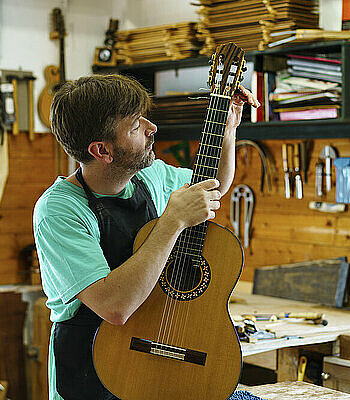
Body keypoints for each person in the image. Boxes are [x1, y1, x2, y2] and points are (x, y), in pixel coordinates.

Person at [33, 74, 259, 400]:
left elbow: (212, 187)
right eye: (136, 127)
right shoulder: (58, 212)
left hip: (157, 357)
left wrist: (227, 130)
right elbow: (114, 307)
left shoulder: (149, 175)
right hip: (91, 376)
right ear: (102, 150)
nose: (151, 127)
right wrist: (172, 221)